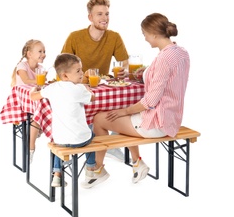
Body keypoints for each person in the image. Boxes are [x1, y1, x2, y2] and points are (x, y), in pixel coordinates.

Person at [81, 12, 190, 188]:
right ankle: (137, 163)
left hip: (157, 123)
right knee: (119, 118)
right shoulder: (181, 52)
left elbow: (150, 101)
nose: (145, 39)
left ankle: (97, 170)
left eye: (145, 34)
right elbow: (169, 80)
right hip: (173, 119)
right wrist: (144, 73)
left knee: (100, 119)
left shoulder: (163, 58)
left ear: (154, 34)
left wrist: (124, 111)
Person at [61, 0, 129, 162]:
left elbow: (124, 63)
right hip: (78, 87)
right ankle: (88, 154)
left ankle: (111, 144)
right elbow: (62, 67)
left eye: (106, 13)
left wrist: (123, 71)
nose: (104, 18)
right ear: (90, 17)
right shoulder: (75, 37)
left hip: (101, 87)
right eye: (99, 14)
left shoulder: (114, 37)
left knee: (127, 102)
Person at [30, 53, 98, 187]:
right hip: (81, 141)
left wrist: (34, 88)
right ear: (65, 75)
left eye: (81, 69)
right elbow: (93, 98)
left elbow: (33, 96)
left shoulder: (52, 88)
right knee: (91, 132)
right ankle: (90, 170)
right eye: (78, 71)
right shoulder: (78, 89)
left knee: (58, 142)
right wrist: (87, 89)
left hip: (60, 140)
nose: (82, 73)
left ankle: (57, 175)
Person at [11, 39, 46, 163]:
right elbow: (26, 81)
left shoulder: (40, 68)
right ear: (29, 54)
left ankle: (35, 133)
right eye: (40, 51)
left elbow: (40, 87)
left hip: (34, 101)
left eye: (44, 51)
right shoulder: (22, 66)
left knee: (39, 116)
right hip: (21, 102)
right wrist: (41, 82)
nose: (44, 54)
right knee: (36, 119)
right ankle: (31, 147)